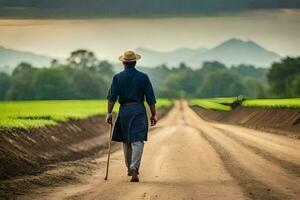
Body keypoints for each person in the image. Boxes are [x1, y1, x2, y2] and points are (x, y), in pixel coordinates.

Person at [106, 50, 157, 182]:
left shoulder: (117, 78)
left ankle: (130, 168)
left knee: (126, 140)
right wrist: (153, 114)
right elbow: (150, 98)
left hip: (124, 111)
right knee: (138, 140)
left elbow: (112, 98)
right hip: (139, 109)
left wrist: (109, 113)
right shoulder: (143, 77)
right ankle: (134, 166)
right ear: (135, 62)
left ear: (123, 63)